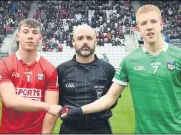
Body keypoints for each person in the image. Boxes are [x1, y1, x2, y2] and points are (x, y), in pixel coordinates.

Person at [60, 5, 181, 134]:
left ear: (161, 24)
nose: (149, 26)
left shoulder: (178, 55)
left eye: (153, 21)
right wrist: (80, 110)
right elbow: (110, 98)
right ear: (138, 29)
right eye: (144, 23)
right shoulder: (129, 61)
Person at [0, 19, 61, 134]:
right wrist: (46, 106)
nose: (30, 36)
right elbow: (10, 101)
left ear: (40, 38)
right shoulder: (4, 64)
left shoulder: (50, 69)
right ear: (18, 36)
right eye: (25, 32)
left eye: (34, 33)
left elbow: (52, 112)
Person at [57, 24, 118, 134]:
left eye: (89, 38)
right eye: (80, 38)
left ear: (95, 42)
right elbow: (56, 101)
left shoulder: (108, 69)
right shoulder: (61, 70)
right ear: (73, 42)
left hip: (100, 130)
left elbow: (112, 101)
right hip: (69, 130)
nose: (85, 42)